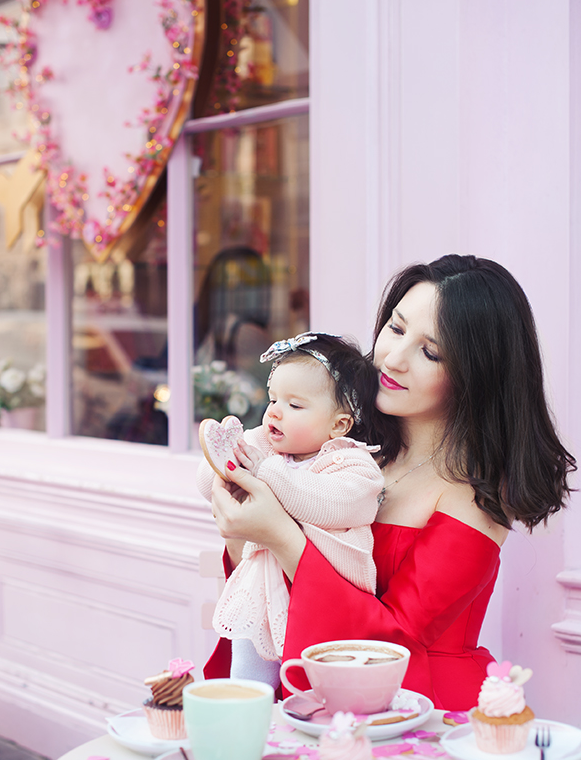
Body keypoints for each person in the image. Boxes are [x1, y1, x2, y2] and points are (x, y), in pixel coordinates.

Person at [204, 255, 576, 710]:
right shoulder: (342, 445)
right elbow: (263, 581)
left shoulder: (474, 496)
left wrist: (278, 535)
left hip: (419, 713)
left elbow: (395, 641)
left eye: (430, 351)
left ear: (476, 374)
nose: (393, 360)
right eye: (396, 329)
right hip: (309, 694)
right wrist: (243, 528)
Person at [197, 333, 383, 690]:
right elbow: (208, 487)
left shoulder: (352, 465)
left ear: (339, 424)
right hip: (261, 590)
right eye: (273, 399)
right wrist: (225, 460)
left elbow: (327, 503)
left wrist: (264, 471)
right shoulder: (266, 447)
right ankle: (251, 727)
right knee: (249, 686)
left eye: (295, 405)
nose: (275, 412)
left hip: (321, 602)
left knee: (311, 690)